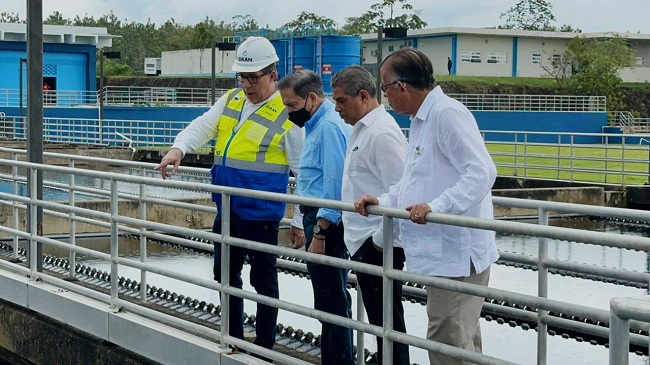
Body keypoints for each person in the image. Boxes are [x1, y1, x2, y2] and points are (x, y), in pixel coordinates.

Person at [155, 36, 305, 356]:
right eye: (243, 77)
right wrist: (178, 149)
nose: (248, 85)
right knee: (224, 275)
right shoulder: (231, 101)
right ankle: (233, 337)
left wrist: (302, 219)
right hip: (227, 209)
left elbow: (303, 171)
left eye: (254, 78)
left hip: (262, 214)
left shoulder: (287, 112)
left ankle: (264, 346)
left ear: (272, 74)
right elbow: (201, 126)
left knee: (264, 281)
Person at [355, 48, 499, 365]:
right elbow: (413, 183)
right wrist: (383, 201)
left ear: (402, 87)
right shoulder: (422, 121)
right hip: (444, 256)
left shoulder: (447, 115)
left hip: (459, 258)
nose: (386, 97)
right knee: (460, 341)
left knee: (447, 342)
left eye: (385, 88)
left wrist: (436, 205)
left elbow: (482, 172)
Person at [330, 65, 410, 365]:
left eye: (341, 101)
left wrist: (376, 243)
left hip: (377, 243)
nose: (336, 108)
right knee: (381, 321)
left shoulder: (382, 133)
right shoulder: (363, 128)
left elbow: (402, 191)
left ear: (363, 96)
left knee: (388, 321)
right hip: (365, 240)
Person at [277, 69, 354, 365]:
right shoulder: (315, 125)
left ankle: (340, 360)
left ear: (311, 98)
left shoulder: (329, 129)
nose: (288, 112)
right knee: (326, 299)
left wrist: (320, 231)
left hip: (325, 224)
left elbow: (334, 185)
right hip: (316, 219)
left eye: (292, 106)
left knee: (332, 300)